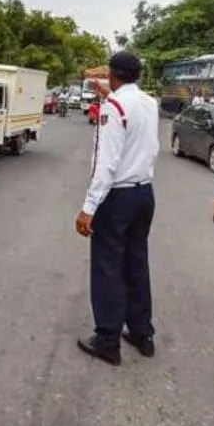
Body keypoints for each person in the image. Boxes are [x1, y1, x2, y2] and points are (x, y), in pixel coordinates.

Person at [74, 51, 160, 366]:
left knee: (108, 265)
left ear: (113, 74)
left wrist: (88, 207)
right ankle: (142, 332)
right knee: (136, 263)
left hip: (117, 197)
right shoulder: (150, 104)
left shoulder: (113, 107)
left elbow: (106, 165)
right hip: (143, 193)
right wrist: (108, 91)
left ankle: (108, 338)